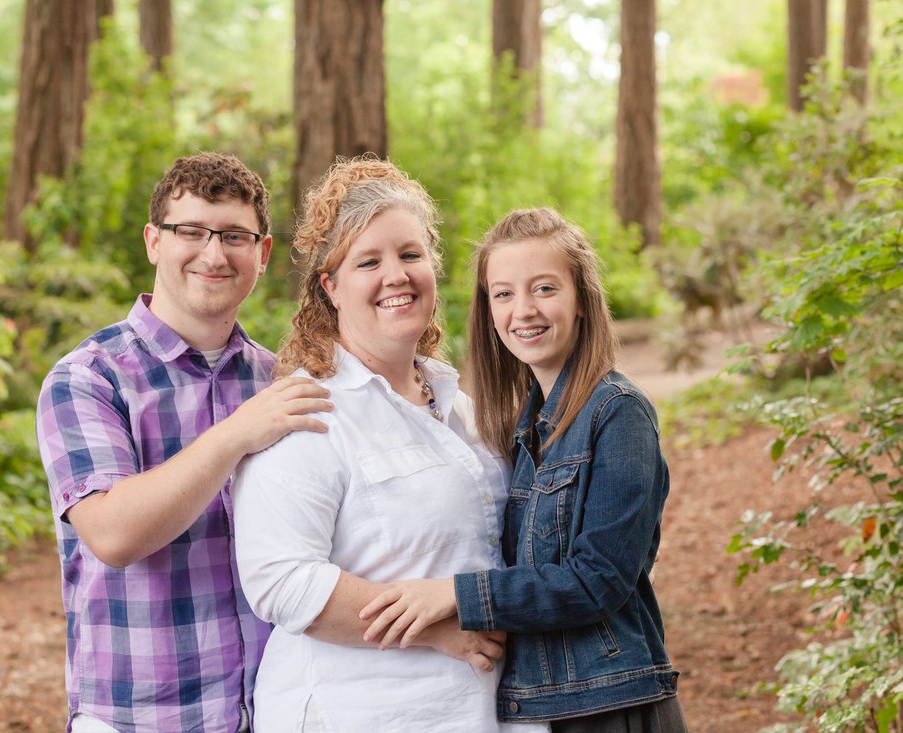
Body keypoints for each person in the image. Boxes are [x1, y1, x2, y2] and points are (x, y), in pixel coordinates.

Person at [231, 158, 549, 733]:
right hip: (362, 709)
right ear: (330, 286)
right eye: (368, 261)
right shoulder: (310, 410)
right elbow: (280, 578)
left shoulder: (460, 406)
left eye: (410, 254)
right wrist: (434, 629)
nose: (396, 275)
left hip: (474, 711)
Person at [36, 152, 332, 733]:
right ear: (153, 241)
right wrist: (237, 435)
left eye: (233, 236)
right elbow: (114, 534)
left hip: (274, 709)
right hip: (139, 716)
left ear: (262, 253)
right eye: (190, 232)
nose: (213, 253)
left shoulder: (283, 383)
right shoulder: (88, 378)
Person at [360, 208, 687, 732]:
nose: (524, 311)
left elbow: (598, 579)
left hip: (610, 706)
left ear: (582, 301)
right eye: (504, 293)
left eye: (544, 289)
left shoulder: (618, 412)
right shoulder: (523, 427)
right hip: (542, 709)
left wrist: (454, 593)